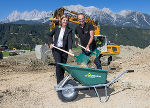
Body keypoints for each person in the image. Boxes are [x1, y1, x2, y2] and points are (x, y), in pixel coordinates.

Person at [49, 15, 73, 84]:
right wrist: (50, 43)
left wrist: (70, 49)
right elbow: (49, 35)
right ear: (61, 21)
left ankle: (62, 81)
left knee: (63, 66)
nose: (65, 21)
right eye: (64, 20)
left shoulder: (69, 30)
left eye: (66, 20)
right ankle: (59, 83)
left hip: (64, 51)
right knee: (58, 65)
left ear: (68, 21)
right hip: (56, 50)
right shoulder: (56, 28)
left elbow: (70, 40)